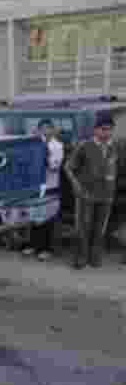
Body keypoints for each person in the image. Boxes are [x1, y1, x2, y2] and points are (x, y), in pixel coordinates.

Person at [64, 113, 124, 269]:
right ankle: (81, 258)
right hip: (87, 194)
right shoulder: (85, 146)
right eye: (104, 129)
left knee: (100, 227)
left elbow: (118, 168)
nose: (107, 133)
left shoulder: (115, 147)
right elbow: (69, 167)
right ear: (96, 129)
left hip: (107, 195)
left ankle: (95, 257)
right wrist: (76, 186)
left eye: (110, 130)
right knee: (83, 227)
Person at [21, 119, 65, 261]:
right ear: (39, 130)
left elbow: (53, 166)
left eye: (48, 128)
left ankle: (45, 248)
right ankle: (32, 245)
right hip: (36, 186)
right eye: (42, 128)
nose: (45, 131)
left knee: (47, 218)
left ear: (53, 130)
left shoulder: (57, 146)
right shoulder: (34, 144)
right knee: (34, 216)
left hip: (50, 186)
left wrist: (44, 150)